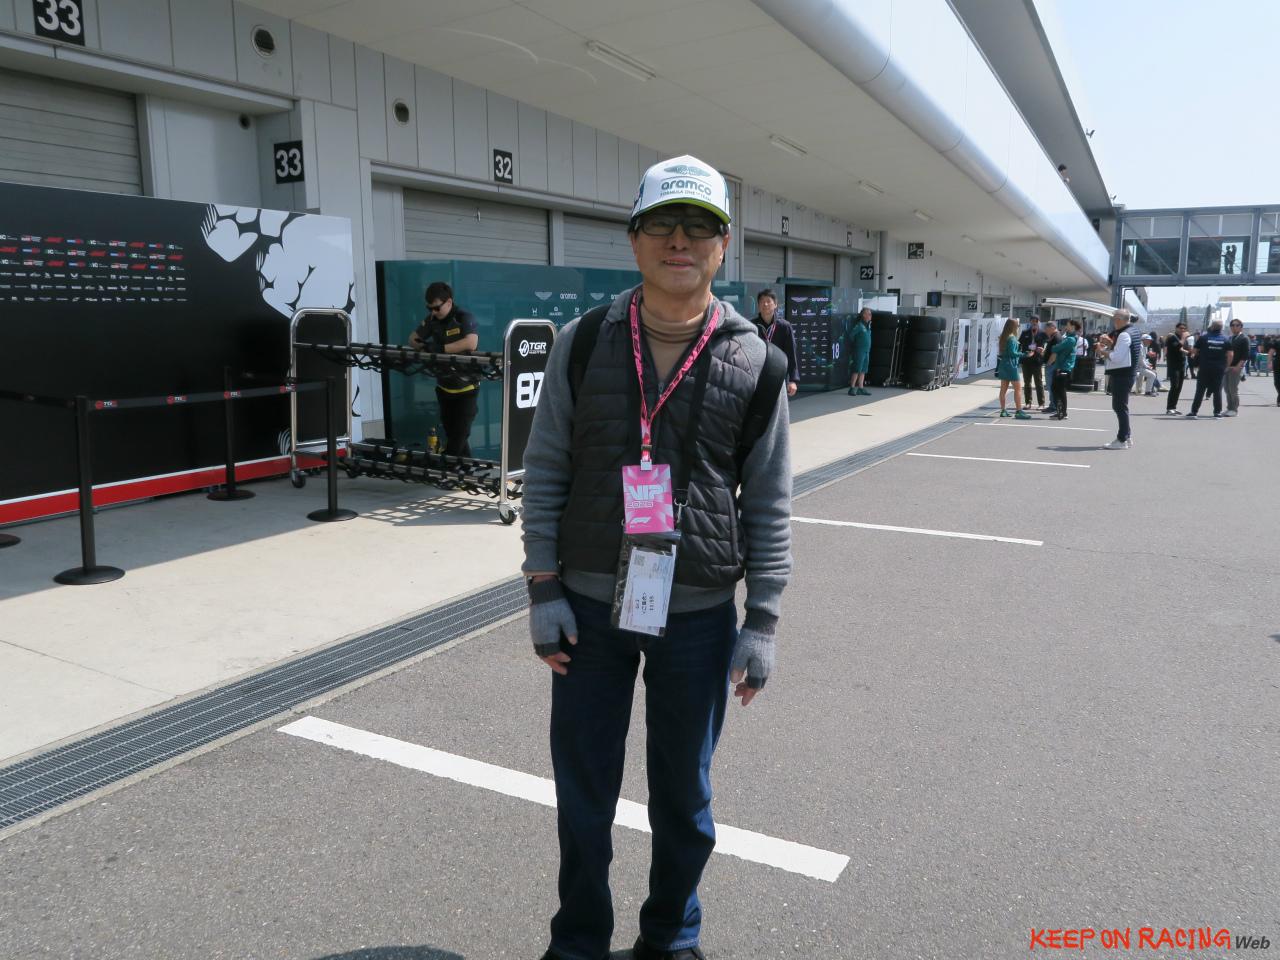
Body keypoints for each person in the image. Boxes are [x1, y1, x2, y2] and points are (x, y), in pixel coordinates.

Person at [520, 154, 792, 960]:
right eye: (663, 224)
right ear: (634, 239)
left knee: (685, 796)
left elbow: (768, 499)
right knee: (583, 793)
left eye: (700, 226)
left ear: (723, 245)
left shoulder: (757, 361)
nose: (681, 240)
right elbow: (546, 467)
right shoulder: (583, 344)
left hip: (700, 616)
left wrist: (763, 620)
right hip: (587, 608)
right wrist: (542, 586)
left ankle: (672, 936)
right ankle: (579, 940)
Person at [409, 281, 480, 456]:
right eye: (429, 308)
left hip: (466, 389)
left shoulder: (463, 317)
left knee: (458, 437)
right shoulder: (432, 320)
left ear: (449, 302)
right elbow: (412, 338)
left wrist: (441, 349)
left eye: (436, 308)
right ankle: (465, 469)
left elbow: (471, 342)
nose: (433, 312)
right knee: (453, 434)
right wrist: (424, 347)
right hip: (444, 388)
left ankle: (447, 467)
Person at [1097, 308, 1138, 448]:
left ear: (1119, 320)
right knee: (1121, 407)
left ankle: (1122, 440)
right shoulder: (1133, 330)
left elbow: (1117, 357)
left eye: (1114, 319)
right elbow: (1125, 351)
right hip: (1127, 373)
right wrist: (1110, 344)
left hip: (1122, 374)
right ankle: (1127, 436)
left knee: (1119, 407)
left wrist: (1103, 351)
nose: (1113, 321)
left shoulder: (1124, 334)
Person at [752, 289, 799, 398]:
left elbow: (791, 354)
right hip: (757, 376)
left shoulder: (784, 326)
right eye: (762, 301)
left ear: (775, 304)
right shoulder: (752, 326)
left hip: (779, 374)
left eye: (768, 301)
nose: (765, 304)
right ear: (758, 305)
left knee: (778, 405)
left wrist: (793, 380)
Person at [1186, 318, 1229, 419]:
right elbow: (1230, 354)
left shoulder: (1204, 338)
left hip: (1205, 367)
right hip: (1219, 368)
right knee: (1217, 390)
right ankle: (1217, 412)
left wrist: (1197, 358)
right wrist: (1227, 366)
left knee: (1200, 390)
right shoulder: (1225, 339)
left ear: (1212, 327)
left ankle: (1194, 412)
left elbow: (1194, 351)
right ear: (1221, 328)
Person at [996, 319, 1030, 419]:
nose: (1018, 327)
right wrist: (1025, 354)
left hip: (1004, 364)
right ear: (1013, 326)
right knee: (1018, 389)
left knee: (1003, 389)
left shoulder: (1004, 337)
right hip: (1011, 365)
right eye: (1017, 325)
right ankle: (1019, 411)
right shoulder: (1011, 338)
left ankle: (1003, 410)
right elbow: (1012, 353)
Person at [1047, 319, 1078, 420]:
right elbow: (1057, 348)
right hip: (1061, 366)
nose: (1066, 326)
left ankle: (1062, 412)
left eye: (1068, 325)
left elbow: (1055, 348)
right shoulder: (1068, 338)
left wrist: (1056, 347)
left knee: (1060, 390)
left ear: (1073, 327)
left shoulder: (1070, 340)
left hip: (1064, 367)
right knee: (1055, 389)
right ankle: (1060, 411)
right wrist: (1057, 347)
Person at [1018, 317, 1048, 409]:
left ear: (1039, 322)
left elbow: (1047, 345)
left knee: (1038, 382)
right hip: (1026, 361)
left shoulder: (1043, 333)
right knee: (1027, 383)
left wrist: (1043, 350)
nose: (1034, 323)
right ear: (1030, 322)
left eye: (1036, 321)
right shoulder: (1025, 332)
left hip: (1037, 361)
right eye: (1032, 321)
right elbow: (1019, 344)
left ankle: (1041, 404)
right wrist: (1022, 354)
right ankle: (1028, 403)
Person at [1224, 318, 1250, 416]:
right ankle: (1229, 408)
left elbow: (1245, 354)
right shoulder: (1230, 338)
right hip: (1227, 367)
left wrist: (1238, 366)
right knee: (1227, 389)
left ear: (1241, 327)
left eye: (1237, 325)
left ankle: (1234, 409)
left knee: (1233, 389)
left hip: (1236, 367)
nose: (1234, 327)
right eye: (1232, 325)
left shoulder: (1244, 338)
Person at [846, 307, 872, 396]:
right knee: (857, 369)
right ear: (864, 315)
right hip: (859, 351)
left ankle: (861, 388)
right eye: (869, 314)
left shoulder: (868, 326)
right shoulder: (859, 326)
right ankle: (852, 388)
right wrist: (856, 345)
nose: (870, 316)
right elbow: (851, 336)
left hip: (866, 351)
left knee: (863, 370)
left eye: (870, 314)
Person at [1165, 322, 1189, 414]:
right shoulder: (1172, 337)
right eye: (1180, 328)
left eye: (1184, 328)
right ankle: (1169, 408)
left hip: (1181, 365)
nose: (1182, 330)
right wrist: (1184, 338)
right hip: (1173, 365)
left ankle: (1173, 407)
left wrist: (1188, 352)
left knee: (1179, 387)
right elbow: (1177, 346)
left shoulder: (1181, 338)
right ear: (1176, 328)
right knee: (1174, 386)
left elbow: (1181, 348)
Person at [1039, 321, 1062, 411]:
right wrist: (1044, 352)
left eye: (1046, 328)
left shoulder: (1056, 337)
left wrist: (1049, 363)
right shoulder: (1054, 336)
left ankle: (1053, 406)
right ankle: (1053, 405)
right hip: (1052, 364)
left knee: (1051, 386)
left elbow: (1055, 353)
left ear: (1052, 327)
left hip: (1052, 365)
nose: (1045, 331)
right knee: (1051, 386)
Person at [1270, 335, 1280, 406]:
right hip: (1277, 364)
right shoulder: (1277, 342)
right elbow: (1271, 352)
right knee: (1276, 382)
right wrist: (1269, 362)